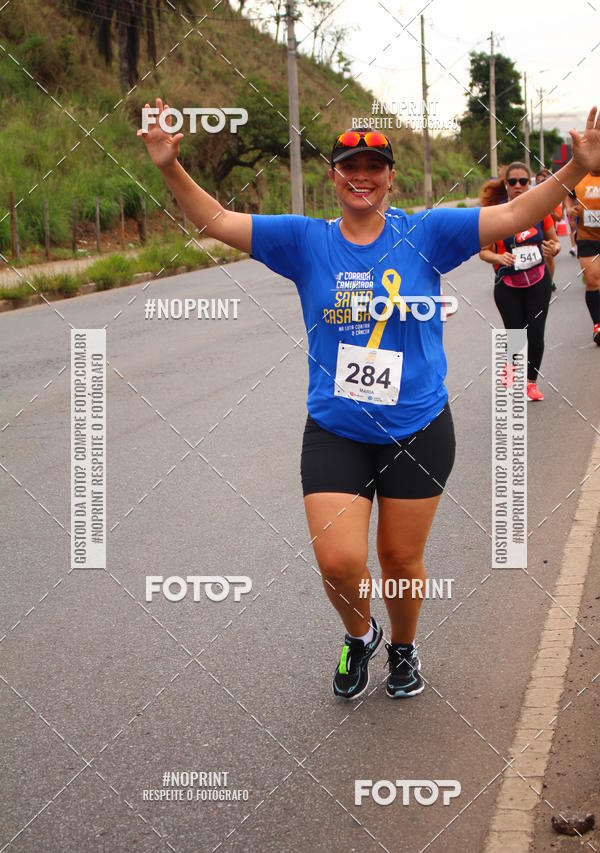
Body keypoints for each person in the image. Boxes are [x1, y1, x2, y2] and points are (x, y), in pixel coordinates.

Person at [139, 102, 600, 700]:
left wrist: (571, 171)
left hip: (419, 425)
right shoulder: (305, 241)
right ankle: (361, 636)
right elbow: (216, 220)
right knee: (338, 560)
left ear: (390, 177)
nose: (362, 176)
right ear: (333, 176)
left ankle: (403, 651)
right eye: (349, 165)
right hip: (337, 428)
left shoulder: (427, 233)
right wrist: (170, 167)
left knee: (401, 562)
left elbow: (514, 212)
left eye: (374, 166)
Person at [479, 162, 560, 401]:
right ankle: (512, 367)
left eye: (523, 182)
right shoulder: (494, 215)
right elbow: (484, 252)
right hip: (507, 285)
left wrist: (552, 248)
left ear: (529, 184)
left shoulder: (540, 211)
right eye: (512, 182)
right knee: (514, 332)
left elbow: (555, 242)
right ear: (506, 185)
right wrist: (498, 256)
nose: (518, 186)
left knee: (535, 333)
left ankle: (530, 383)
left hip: (538, 280)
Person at [565, 169, 600, 345]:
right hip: (587, 237)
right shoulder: (580, 175)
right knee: (592, 279)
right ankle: (597, 325)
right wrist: (570, 208)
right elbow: (568, 196)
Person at [535, 167, 564, 288]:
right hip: (535, 231)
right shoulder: (531, 198)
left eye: (543, 182)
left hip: (549, 231)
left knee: (549, 259)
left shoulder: (553, 200)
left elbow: (559, 218)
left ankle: (549, 281)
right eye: (538, 181)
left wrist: (550, 211)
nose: (540, 184)